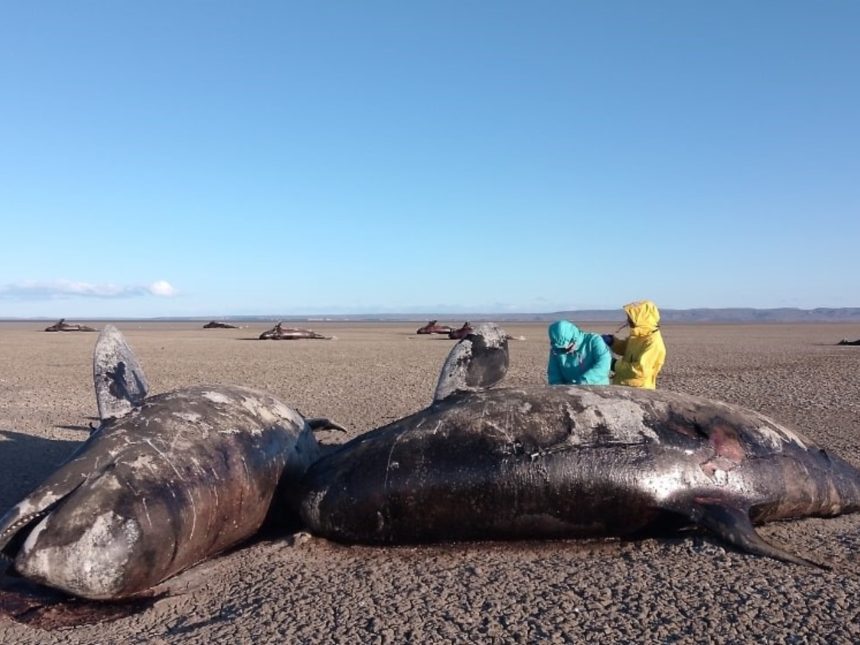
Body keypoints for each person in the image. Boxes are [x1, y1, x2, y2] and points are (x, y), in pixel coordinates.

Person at [602, 300, 666, 389]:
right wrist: (613, 342)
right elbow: (626, 349)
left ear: (642, 318)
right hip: (624, 385)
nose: (628, 320)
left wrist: (613, 364)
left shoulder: (653, 343)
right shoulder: (639, 336)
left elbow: (639, 370)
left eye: (631, 317)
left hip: (639, 390)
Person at [547, 320, 611, 385]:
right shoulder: (556, 350)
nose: (565, 352)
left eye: (567, 348)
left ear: (574, 339)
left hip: (597, 389)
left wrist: (584, 381)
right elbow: (554, 375)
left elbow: (604, 366)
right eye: (561, 349)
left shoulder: (594, 341)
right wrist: (559, 389)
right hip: (569, 391)